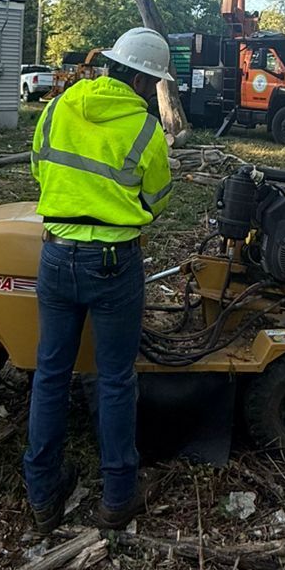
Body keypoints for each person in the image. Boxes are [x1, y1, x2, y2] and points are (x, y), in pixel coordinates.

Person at [23, 26, 175, 533]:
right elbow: (156, 199)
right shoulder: (146, 131)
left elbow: (39, 171)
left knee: (50, 375)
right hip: (113, 263)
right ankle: (117, 498)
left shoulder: (57, 107)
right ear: (141, 78)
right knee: (114, 380)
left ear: (111, 64)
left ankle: (42, 496)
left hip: (56, 255)